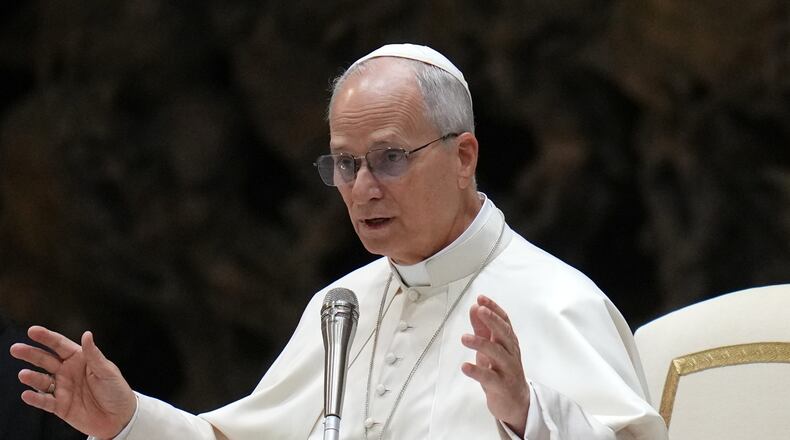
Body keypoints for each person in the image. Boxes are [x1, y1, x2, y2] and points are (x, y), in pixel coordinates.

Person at [10, 43, 667, 439]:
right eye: (343, 164)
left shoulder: (556, 302)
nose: (362, 188)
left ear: (463, 155)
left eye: (388, 159)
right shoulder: (340, 306)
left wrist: (530, 417)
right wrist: (130, 420)